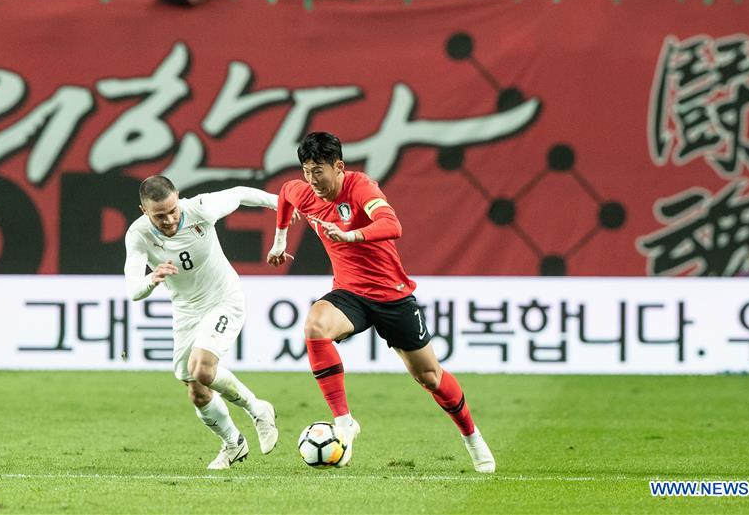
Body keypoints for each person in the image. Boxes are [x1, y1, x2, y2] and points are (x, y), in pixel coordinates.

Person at [266, 132, 496, 473]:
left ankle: (472, 437)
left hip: (393, 296)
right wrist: (279, 240)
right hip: (350, 294)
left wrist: (352, 234)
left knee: (430, 377)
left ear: (339, 167)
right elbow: (286, 194)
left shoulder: (361, 188)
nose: (312, 180)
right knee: (315, 324)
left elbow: (392, 224)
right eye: (306, 170)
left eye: (319, 171)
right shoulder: (304, 191)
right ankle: (344, 421)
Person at [124, 176, 280, 469]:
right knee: (196, 391)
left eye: (173, 210)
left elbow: (240, 193)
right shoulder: (138, 234)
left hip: (224, 299)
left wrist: (278, 204)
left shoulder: (200, 208)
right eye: (160, 215)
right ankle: (233, 443)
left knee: (202, 368)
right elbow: (133, 289)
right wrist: (151, 279)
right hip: (185, 311)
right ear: (144, 211)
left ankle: (258, 409)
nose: (169, 219)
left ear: (178, 198)